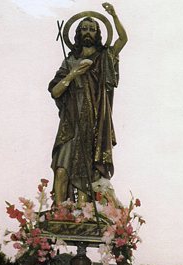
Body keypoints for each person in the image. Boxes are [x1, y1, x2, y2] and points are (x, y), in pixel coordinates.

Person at [48, 3, 127, 204]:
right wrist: (74, 74)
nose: (88, 32)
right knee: (61, 170)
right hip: (70, 124)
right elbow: (55, 90)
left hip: (93, 123)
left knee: (85, 175)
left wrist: (114, 16)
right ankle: (60, 215)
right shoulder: (70, 61)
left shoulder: (104, 57)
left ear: (98, 33)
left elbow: (123, 39)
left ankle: (82, 217)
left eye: (92, 29)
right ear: (78, 33)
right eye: (84, 28)